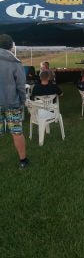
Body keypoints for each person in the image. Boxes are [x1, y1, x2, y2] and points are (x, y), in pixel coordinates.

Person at [0, 34, 29, 169]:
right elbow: (21, 86)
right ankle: (23, 161)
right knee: (17, 132)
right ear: (11, 46)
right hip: (12, 103)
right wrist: (23, 100)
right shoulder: (15, 62)